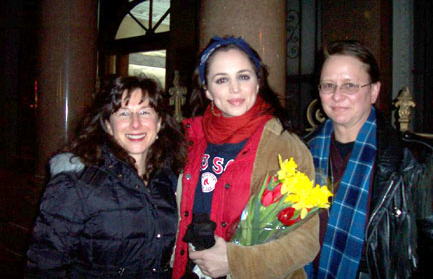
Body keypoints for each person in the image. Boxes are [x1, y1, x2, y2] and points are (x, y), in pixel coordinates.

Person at [172, 36, 319, 279]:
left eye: (243, 76)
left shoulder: (284, 147)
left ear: (258, 82)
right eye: (222, 80)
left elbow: (306, 241)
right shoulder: (188, 140)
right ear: (207, 90)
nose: (235, 88)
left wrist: (235, 262)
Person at [25, 76, 187, 278]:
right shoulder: (77, 183)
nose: (135, 124)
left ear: (160, 122)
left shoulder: (168, 180)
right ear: (108, 126)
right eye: (123, 113)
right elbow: (45, 266)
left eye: (144, 112)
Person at [306, 40, 433, 279]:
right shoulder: (303, 151)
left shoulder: (412, 162)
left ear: (374, 91)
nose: (336, 96)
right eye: (328, 85)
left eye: (350, 86)